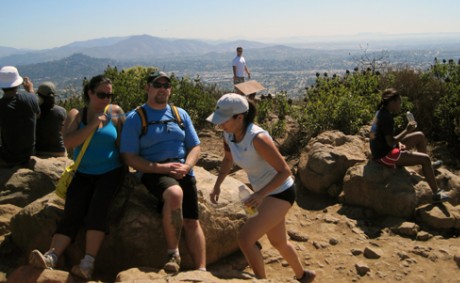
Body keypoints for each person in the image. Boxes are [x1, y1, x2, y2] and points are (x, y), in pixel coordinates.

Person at [207, 93, 316, 283]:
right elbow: (228, 159)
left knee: (245, 240)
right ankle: (303, 276)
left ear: (239, 117)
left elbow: (285, 171)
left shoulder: (257, 138)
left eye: (224, 120)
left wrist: (259, 195)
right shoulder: (228, 133)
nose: (220, 125)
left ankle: (261, 280)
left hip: (280, 192)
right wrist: (217, 185)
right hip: (263, 193)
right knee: (278, 242)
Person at [29, 75, 126, 280]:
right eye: (102, 94)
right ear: (89, 93)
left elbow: (124, 143)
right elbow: (69, 143)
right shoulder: (77, 114)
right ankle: (51, 256)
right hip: (83, 172)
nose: (106, 99)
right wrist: (92, 124)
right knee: (72, 213)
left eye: (110, 95)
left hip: (111, 172)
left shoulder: (116, 113)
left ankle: (88, 263)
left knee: (97, 212)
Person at [120, 70, 206, 273]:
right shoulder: (136, 117)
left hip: (183, 171)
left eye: (166, 85)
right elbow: (129, 157)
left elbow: (195, 147)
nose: (162, 89)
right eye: (157, 84)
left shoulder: (180, 114)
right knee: (175, 194)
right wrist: (160, 168)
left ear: (170, 89)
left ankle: (202, 270)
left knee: (192, 221)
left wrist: (187, 166)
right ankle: (173, 254)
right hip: (154, 172)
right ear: (147, 88)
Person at [369, 88, 451, 203]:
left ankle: (428, 168)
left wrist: (398, 144)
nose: (400, 105)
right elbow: (390, 142)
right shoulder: (387, 118)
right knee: (425, 159)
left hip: (383, 149)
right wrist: (406, 130)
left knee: (419, 136)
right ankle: (436, 193)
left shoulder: (380, 112)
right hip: (384, 156)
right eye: (399, 102)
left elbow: (382, 137)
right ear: (392, 102)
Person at [0, 66, 40, 167]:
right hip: (30, 154)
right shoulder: (30, 98)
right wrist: (30, 90)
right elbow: (37, 113)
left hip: (9, 156)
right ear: (18, 84)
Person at [34, 82, 67, 157]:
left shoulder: (35, 111)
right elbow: (64, 132)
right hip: (58, 151)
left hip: (38, 151)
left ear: (39, 96)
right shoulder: (61, 111)